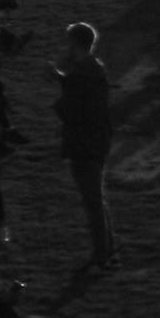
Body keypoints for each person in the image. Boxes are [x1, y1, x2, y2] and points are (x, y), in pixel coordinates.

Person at [53, 20, 115, 274]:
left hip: (84, 144)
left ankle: (101, 256)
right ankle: (108, 249)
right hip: (97, 141)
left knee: (92, 202)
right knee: (97, 199)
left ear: (75, 44)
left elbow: (72, 111)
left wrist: (59, 101)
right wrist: (60, 77)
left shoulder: (80, 73)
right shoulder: (93, 68)